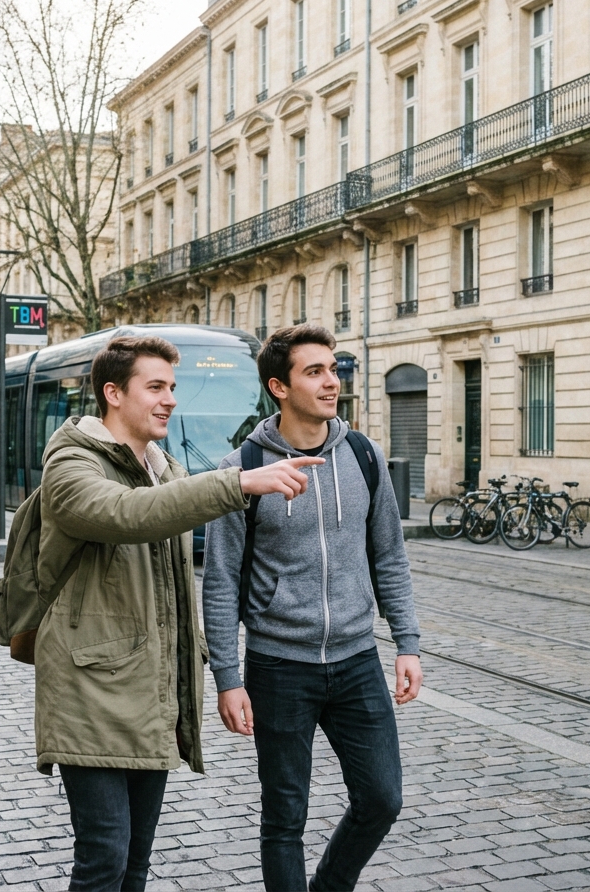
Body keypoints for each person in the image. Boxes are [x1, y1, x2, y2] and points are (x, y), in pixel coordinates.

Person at [33, 335, 323, 891]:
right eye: (156, 387)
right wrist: (237, 482)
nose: (170, 400)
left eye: (173, 387)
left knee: (136, 861)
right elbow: (126, 514)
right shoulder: (69, 466)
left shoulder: (162, 467)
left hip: (150, 692)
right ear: (113, 393)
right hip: (88, 690)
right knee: (104, 859)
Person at [202, 324, 423, 892]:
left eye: (334, 369)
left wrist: (407, 643)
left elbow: (390, 557)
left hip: (355, 661)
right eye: (315, 371)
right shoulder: (242, 469)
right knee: (284, 819)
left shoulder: (363, 455)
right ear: (279, 385)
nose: (332, 382)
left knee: (382, 798)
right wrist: (228, 678)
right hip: (279, 668)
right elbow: (221, 582)